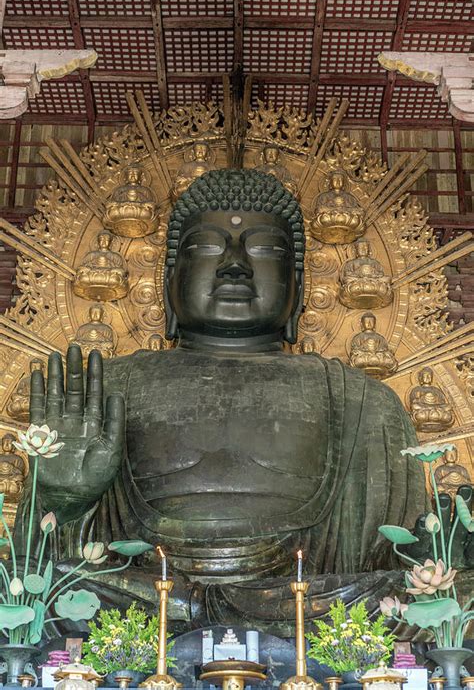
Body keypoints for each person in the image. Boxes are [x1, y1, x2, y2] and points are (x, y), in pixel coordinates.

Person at [26, 169, 427, 634]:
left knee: (437, 595)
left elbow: (406, 554)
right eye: (206, 248)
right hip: (139, 600)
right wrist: (61, 500)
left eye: (264, 250)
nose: (234, 265)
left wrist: (444, 558)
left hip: (311, 603)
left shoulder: (365, 402)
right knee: (46, 588)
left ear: (296, 287)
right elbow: (37, 563)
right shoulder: (105, 388)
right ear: (169, 281)